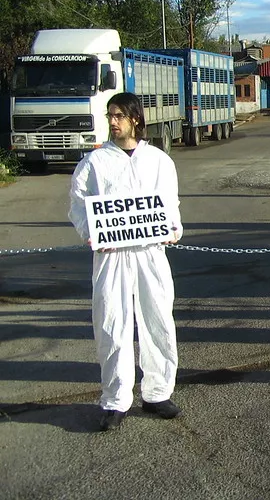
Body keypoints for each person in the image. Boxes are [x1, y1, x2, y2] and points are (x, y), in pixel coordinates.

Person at [68, 92, 184, 431]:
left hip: (150, 254)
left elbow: (169, 202)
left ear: (135, 118)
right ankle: (116, 399)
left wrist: (172, 228)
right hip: (112, 256)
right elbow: (78, 203)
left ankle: (157, 393)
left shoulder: (158, 160)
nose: (113, 122)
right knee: (112, 323)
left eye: (119, 115)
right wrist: (90, 232)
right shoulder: (95, 163)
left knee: (158, 320)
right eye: (110, 116)